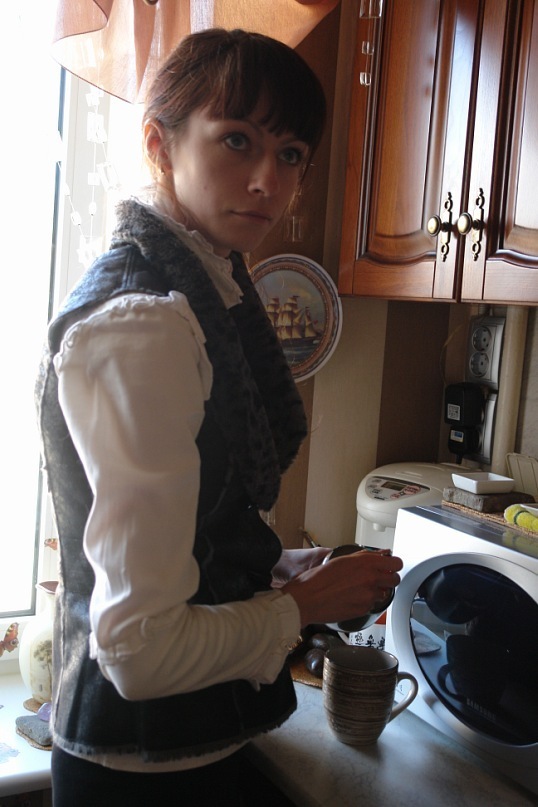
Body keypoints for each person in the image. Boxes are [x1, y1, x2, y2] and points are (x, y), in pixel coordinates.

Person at [36, 28, 402, 806]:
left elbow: (182, 530)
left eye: (292, 153)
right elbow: (138, 650)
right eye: (237, 139)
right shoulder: (147, 323)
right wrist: (305, 606)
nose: (269, 180)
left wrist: (268, 566)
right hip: (140, 774)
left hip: (176, 753)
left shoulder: (204, 289)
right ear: (159, 144)